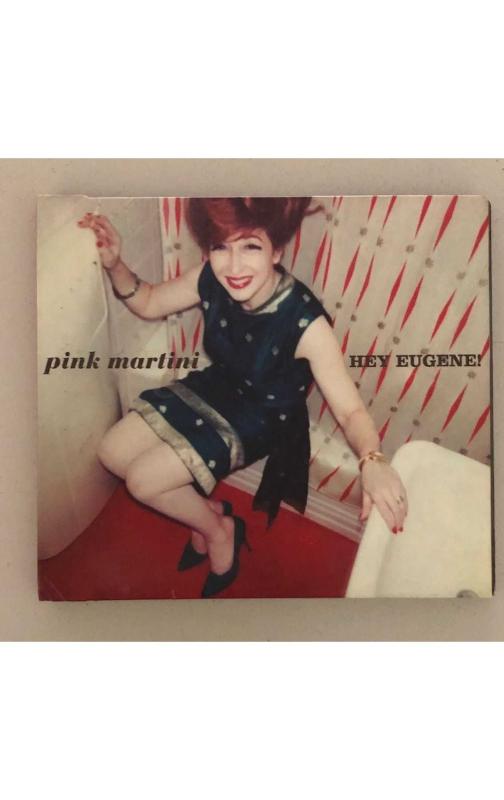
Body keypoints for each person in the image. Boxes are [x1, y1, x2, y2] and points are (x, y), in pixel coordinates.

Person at [78, 197, 408, 598]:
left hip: (261, 417)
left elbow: (351, 410)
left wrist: (372, 459)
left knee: (143, 482)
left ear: (276, 251)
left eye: (250, 246)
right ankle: (210, 513)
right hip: (218, 386)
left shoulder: (305, 321)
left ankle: (219, 530)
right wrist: (115, 263)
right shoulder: (210, 277)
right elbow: (149, 302)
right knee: (112, 452)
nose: (233, 267)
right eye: (221, 247)